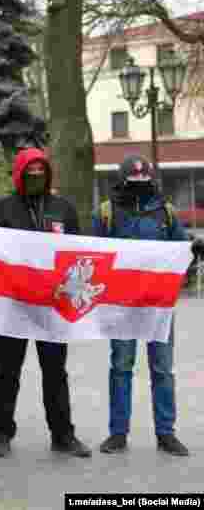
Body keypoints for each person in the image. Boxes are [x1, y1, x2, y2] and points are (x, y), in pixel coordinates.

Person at [0, 147, 92, 460]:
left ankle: (63, 434)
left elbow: (77, 252)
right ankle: (1, 432)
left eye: (40, 171)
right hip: (14, 306)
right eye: (29, 172)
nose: (35, 177)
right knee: (7, 372)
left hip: (54, 306)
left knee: (55, 372)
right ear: (18, 174)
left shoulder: (63, 208)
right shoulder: (2, 208)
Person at [92, 155, 194, 457]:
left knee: (162, 369)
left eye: (144, 180)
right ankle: (118, 433)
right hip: (121, 304)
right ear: (123, 180)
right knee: (121, 366)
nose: (140, 185)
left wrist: (194, 249)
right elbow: (95, 255)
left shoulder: (167, 212)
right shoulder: (106, 212)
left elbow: (181, 249)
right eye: (133, 181)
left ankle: (166, 433)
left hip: (158, 304)